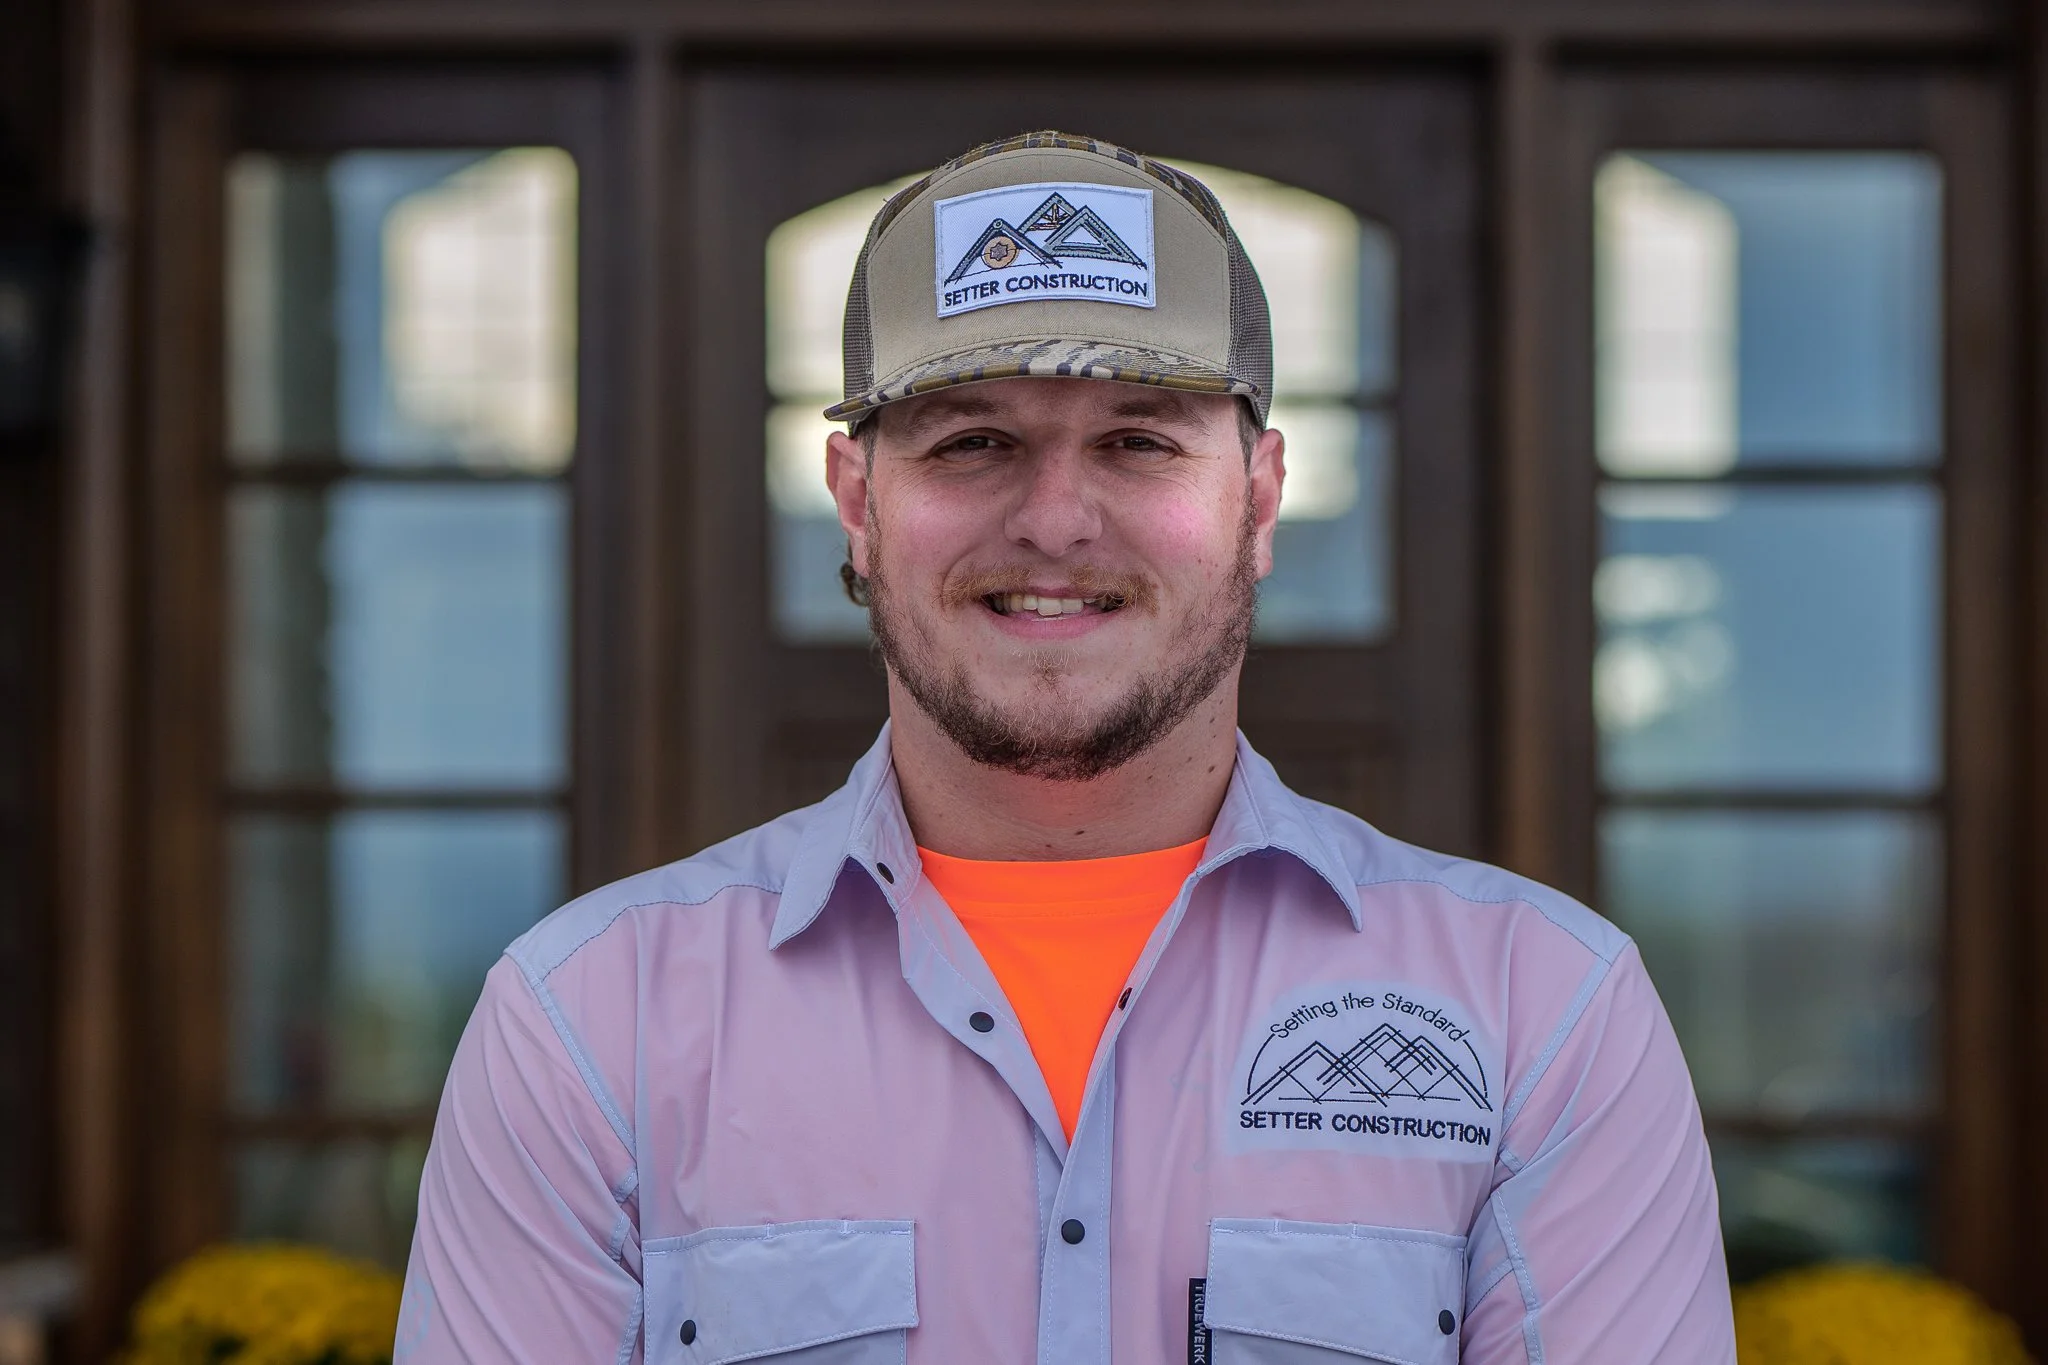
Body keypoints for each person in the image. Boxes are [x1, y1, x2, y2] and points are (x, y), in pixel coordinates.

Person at [397, 130, 1735, 1363]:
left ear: (1259, 500)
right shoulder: (591, 1027)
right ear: (857, 502)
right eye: (973, 441)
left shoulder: (1543, 1017)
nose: (1054, 522)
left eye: (1139, 442)